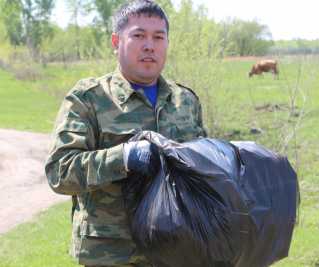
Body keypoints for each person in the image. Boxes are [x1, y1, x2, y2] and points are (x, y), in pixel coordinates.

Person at [45, 1, 206, 266]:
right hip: (113, 254)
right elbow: (59, 172)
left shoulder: (185, 101)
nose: (149, 46)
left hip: (178, 250)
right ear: (116, 41)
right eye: (138, 35)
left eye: (158, 37)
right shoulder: (89, 99)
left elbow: (203, 172)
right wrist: (123, 158)